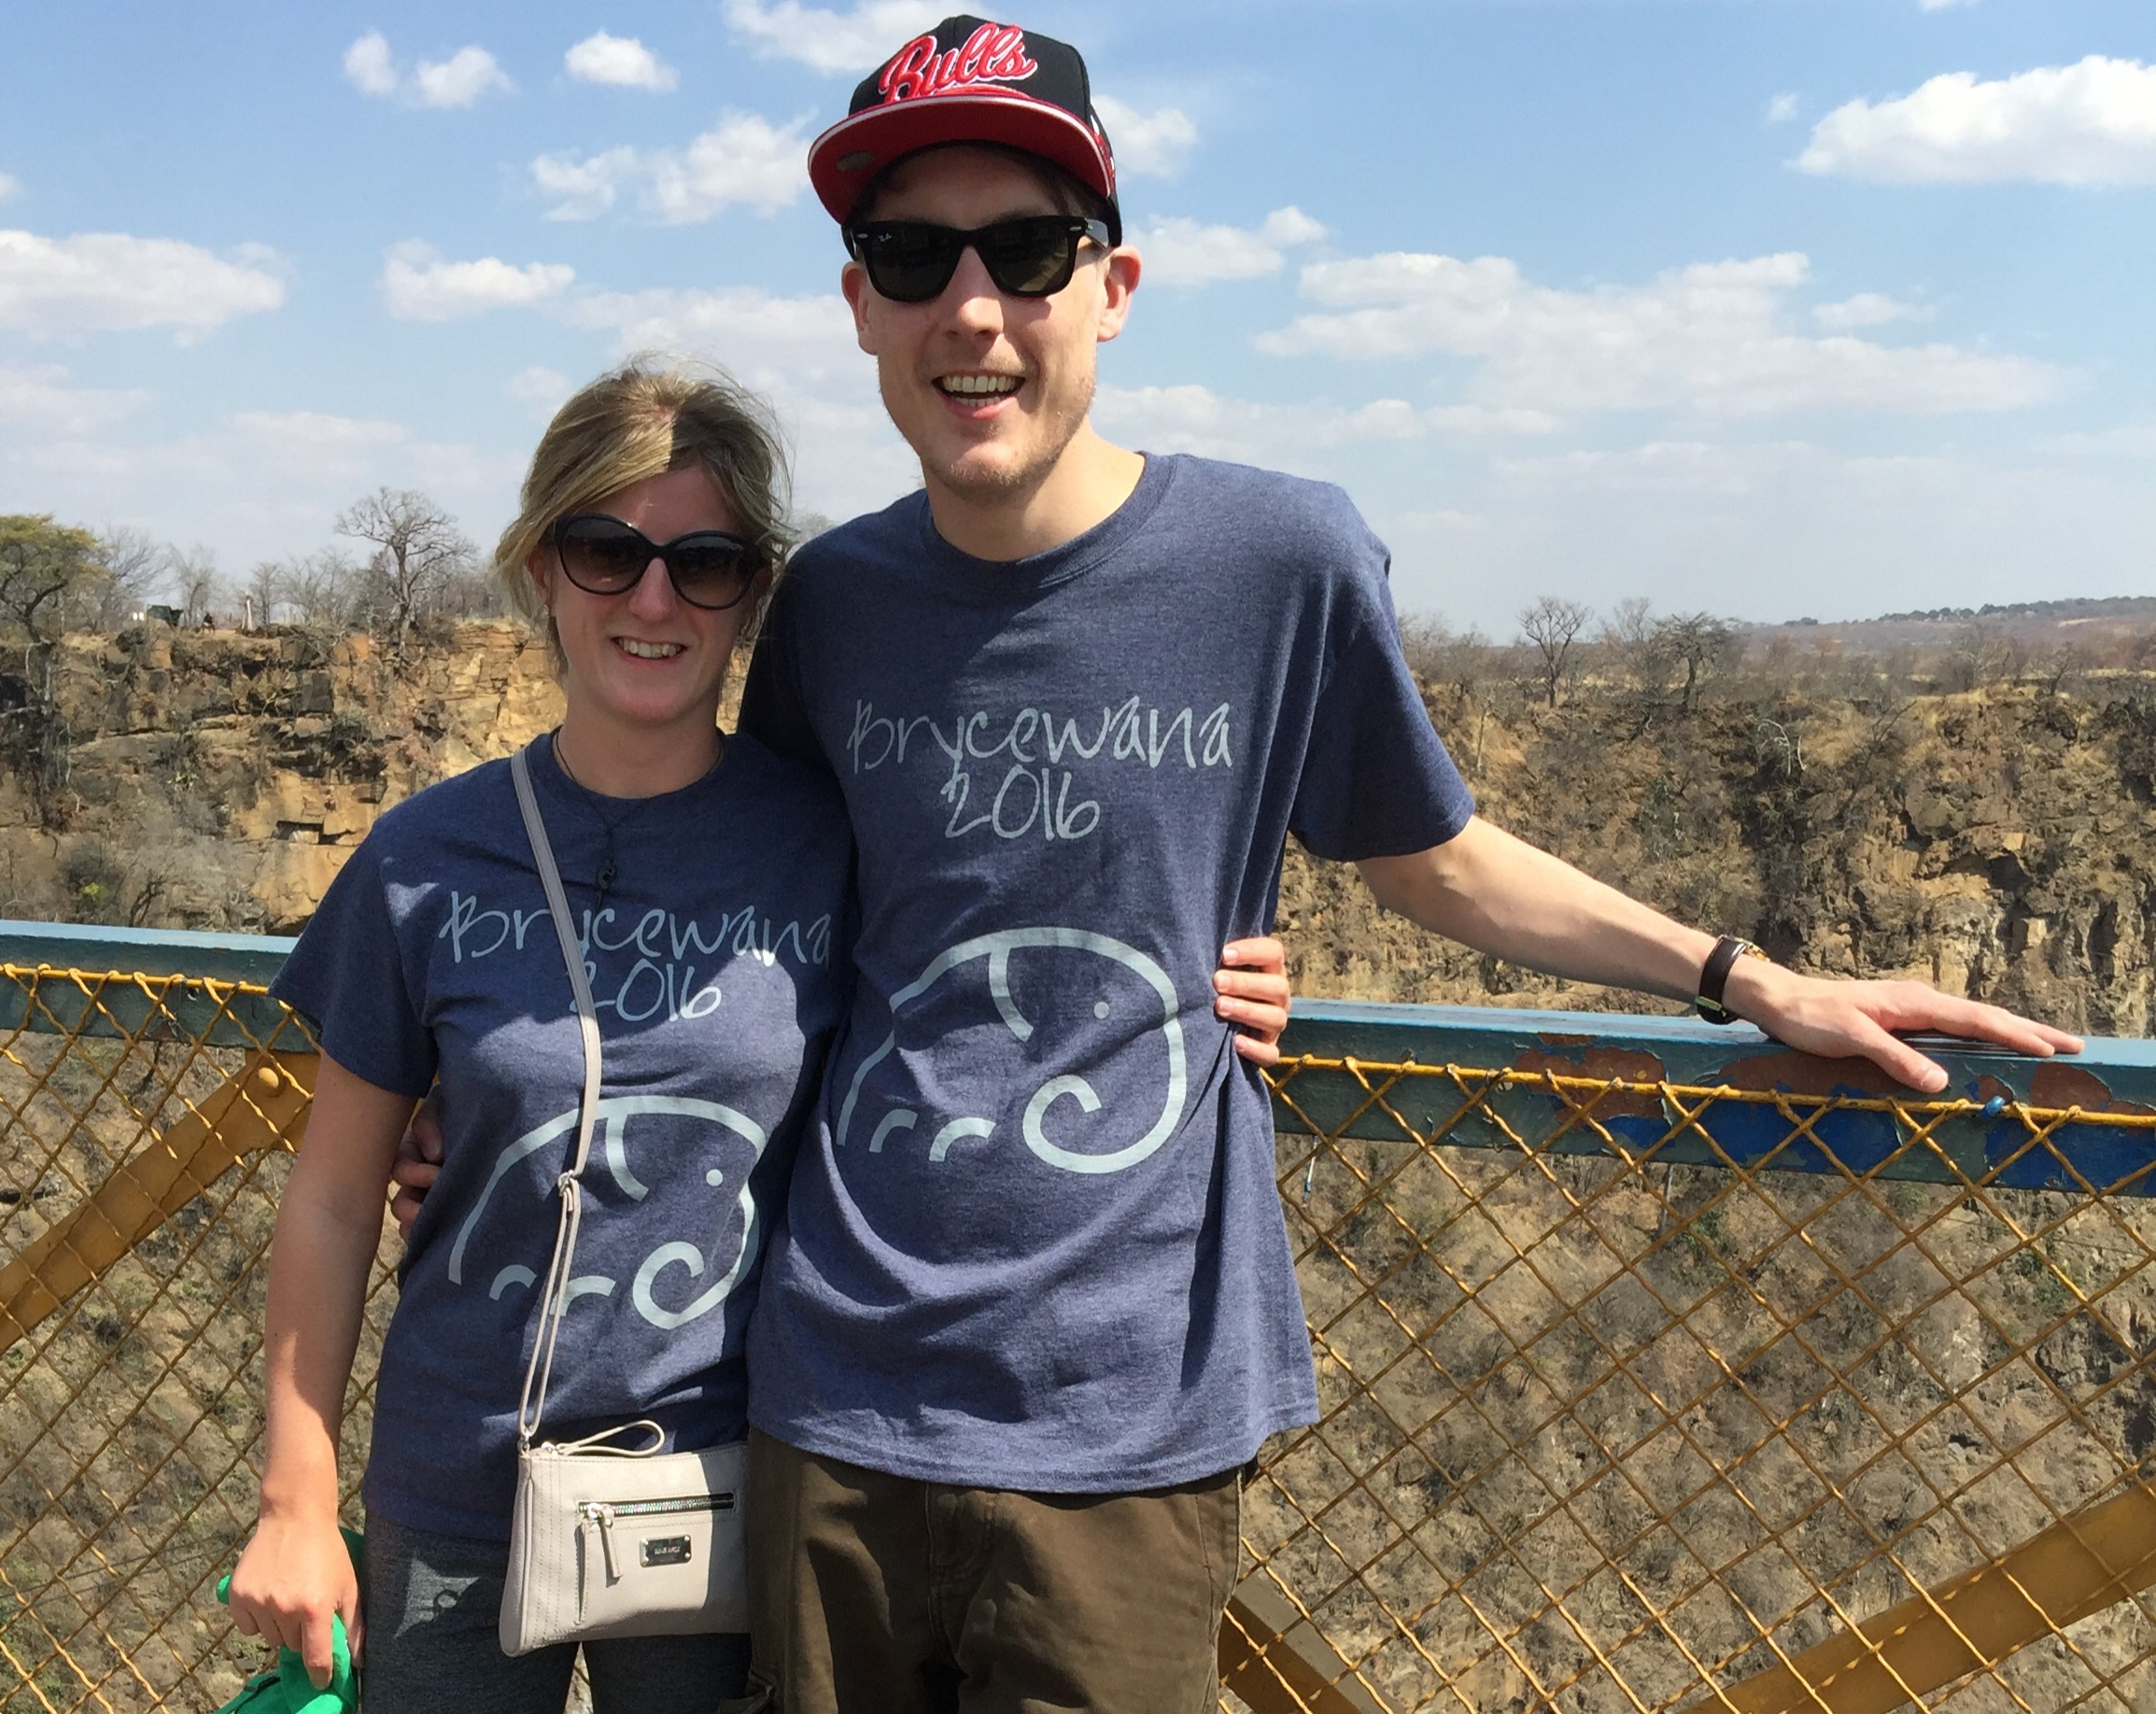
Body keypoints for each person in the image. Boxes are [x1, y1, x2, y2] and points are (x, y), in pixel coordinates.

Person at [717, 17, 2083, 1714]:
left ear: (1114, 285)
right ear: (860, 304)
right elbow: (755, 919)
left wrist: (1748, 979)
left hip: (1126, 1404)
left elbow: (1435, 859)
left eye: (1029, 249)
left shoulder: (1273, 560)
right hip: (831, 1383)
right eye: (912, 255)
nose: (972, 307)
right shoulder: (835, 607)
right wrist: (489, 1084)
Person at [227, 358, 1294, 1714]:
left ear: (752, 597)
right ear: (540, 568)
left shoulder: (828, 840)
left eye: (708, 562)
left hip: (718, 1479)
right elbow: (328, 1200)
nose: (654, 599)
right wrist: (297, 1504)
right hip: (460, 1470)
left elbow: (989, 987)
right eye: (606, 551)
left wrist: (1226, 977)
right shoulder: (423, 862)